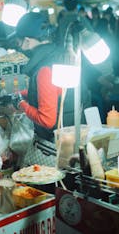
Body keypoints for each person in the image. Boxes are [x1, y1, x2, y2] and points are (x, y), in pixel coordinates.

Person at [9, 11, 85, 167]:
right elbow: (56, 93)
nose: (18, 44)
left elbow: (47, 120)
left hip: (54, 149)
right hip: (71, 141)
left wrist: (20, 104)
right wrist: (26, 93)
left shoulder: (44, 69)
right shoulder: (59, 55)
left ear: (28, 40)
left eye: (18, 40)